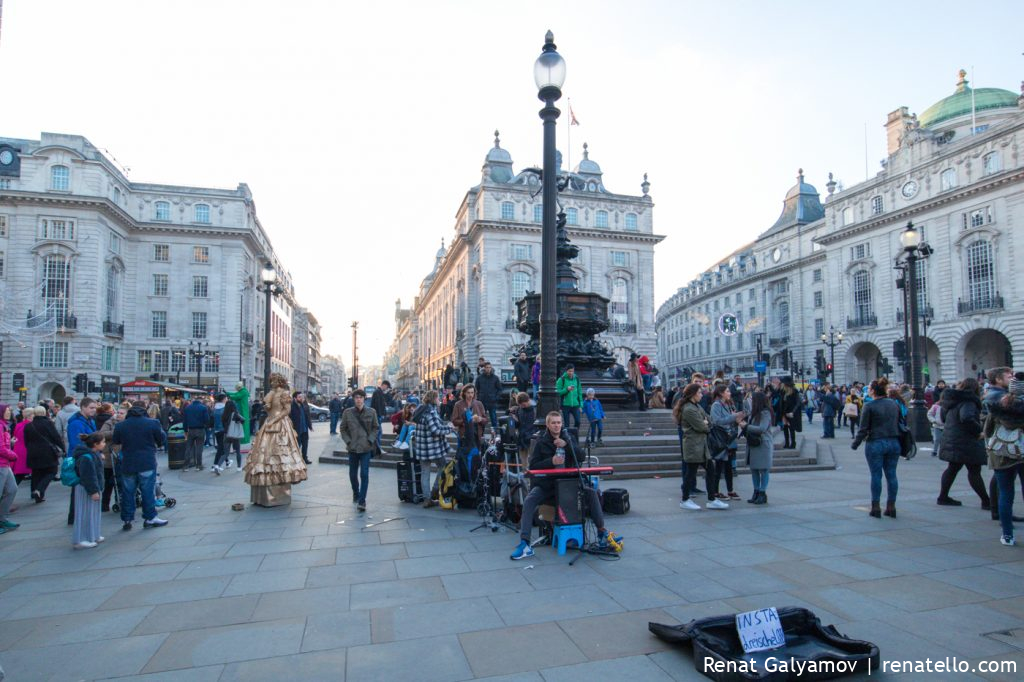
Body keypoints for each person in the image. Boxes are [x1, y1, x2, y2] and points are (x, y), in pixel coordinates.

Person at [511, 412, 620, 560]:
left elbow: (581, 456)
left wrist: (567, 445)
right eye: (553, 423)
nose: (557, 425)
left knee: (591, 493)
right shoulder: (541, 442)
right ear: (548, 425)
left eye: (559, 422)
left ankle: (602, 533)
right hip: (548, 486)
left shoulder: (569, 437)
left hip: (570, 484)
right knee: (530, 500)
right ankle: (525, 543)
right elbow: (533, 466)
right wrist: (551, 461)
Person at [112, 401, 169, 530]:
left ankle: (127, 519)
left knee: (128, 492)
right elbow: (161, 439)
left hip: (128, 462)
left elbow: (116, 441)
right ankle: (150, 517)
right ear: (145, 411)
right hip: (146, 462)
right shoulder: (152, 423)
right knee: (147, 491)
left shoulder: (121, 426)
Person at [852, 379, 903, 518]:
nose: (868, 391)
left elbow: (863, 429)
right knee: (892, 474)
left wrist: (855, 443)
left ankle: (875, 507)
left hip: (876, 442)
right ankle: (891, 507)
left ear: (873, 391)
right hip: (894, 442)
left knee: (876, 475)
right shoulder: (894, 404)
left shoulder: (869, 406)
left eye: (869, 389)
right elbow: (900, 422)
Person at [937, 378, 991, 509]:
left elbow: (943, 417)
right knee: (974, 470)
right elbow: (966, 418)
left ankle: (943, 496)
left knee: (953, 468)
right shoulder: (968, 401)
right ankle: (986, 501)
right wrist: (979, 430)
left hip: (953, 438)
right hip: (965, 440)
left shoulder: (950, 400)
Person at [985, 374, 1024, 545]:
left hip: (1001, 454)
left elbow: (987, 431)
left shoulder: (998, 407)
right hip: (1022, 453)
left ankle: (1007, 535)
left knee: (1006, 493)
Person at [677, 383, 723, 510]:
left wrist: (706, 422)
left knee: (710, 470)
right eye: (699, 393)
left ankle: (712, 499)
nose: (702, 395)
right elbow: (702, 427)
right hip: (693, 446)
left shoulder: (696, 406)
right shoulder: (689, 409)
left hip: (701, 446)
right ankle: (685, 499)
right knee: (690, 473)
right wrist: (705, 423)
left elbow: (709, 420)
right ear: (693, 394)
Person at [411, 391, 455, 508]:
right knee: (443, 465)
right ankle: (435, 490)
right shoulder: (430, 411)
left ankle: (427, 498)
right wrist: (449, 429)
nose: (439, 399)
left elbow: (436, 425)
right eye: (437, 397)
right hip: (433, 448)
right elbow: (435, 430)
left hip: (422, 448)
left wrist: (445, 425)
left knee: (425, 472)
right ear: (433, 398)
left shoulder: (420, 410)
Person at [339, 389, 378, 512]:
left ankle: (362, 501)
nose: (358, 399)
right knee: (352, 474)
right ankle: (356, 492)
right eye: (356, 397)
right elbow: (343, 429)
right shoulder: (347, 412)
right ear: (353, 399)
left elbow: (375, 428)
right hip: (353, 448)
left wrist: (371, 440)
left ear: (364, 399)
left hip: (366, 448)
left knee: (364, 474)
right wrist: (348, 441)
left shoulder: (372, 412)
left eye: (361, 397)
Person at [709, 384, 745, 501]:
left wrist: (738, 418)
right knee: (719, 466)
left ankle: (730, 490)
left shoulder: (729, 404)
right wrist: (733, 417)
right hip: (720, 439)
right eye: (727, 391)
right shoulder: (716, 405)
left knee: (729, 466)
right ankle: (715, 491)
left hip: (730, 438)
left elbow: (731, 419)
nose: (729, 393)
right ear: (721, 393)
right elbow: (716, 421)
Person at [70, 432, 106, 549]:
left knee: (92, 512)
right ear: (96, 444)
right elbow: (88, 476)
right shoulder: (87, 457)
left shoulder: (92, 454)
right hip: (86, 488)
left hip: (91, 487)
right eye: (103, 442)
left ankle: (92, 534)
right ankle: (81, 539)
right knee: (85, 513)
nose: (104, 444)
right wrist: (94, 491)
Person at [23, 406, 63, 503]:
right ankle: (39, 490)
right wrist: (62, 447)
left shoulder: (29, 425)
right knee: (52, 471)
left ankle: (36, 493)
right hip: (47, 451)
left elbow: (26, 441)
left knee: (36, 472)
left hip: (33, 452)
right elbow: (56, 437)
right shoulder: (48, 423)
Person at [744, 390, 774, 504]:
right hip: (754, 443)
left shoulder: (765, 412)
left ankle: (762, 492)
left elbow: (762, 428)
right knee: (754, 469)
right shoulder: (753, 412)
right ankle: (756, 491)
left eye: (753, 399)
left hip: (763, 444)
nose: (750, 401)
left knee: (763, 470)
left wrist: (747, 426)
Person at [96, 404, 122, 512]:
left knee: (119, 481)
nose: (119, 414)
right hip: (109, 455)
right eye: (118, 413)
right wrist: (116, 431)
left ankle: (119, 500)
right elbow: (102, 434)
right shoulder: (109, 422)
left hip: (120, 456)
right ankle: (105, 504)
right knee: (109, 482)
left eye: (122, 413)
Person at [452, 385, 488, 457]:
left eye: (472, 392)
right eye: (468, 393)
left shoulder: (479, 404)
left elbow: (486, 420)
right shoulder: (458, 404)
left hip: (476, 434)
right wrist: (466, 421)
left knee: (475, 456)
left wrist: (480, 419)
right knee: (464, 456)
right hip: (464, 435)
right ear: (464, 393)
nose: (470, 395)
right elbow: (454, 421)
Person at [0, 404, 19, 535]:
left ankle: (2, 518)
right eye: (7, 410)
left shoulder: (4, 425)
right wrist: (12, 454)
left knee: (12, 489)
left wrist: (11, 443)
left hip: (5, 463)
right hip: (2, 463)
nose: (9, 412)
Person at [182, 396, 211, 471]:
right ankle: (198, 465)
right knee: (199, 448)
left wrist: (185, 430)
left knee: (188, 448)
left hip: (190, 430)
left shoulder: (187, 408)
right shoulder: (203, 408)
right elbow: (207, 419)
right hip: (200, 429)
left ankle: (186, 466)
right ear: (200, 400)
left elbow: (184, 421)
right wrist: (206, 426)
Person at [474, 363, 503, 430]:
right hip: (482, 401)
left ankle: (495, 432)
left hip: (492, 401)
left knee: (493, 418)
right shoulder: (479, 378)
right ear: (484, 368)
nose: (488, 369)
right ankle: (481, 432)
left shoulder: (495, 378)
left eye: (489, 367)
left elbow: (500, 389)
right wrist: (478, 398)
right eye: (487, 367)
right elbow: (476, 389)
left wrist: (496, 398)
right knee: (481, 418)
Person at [555, 364, 583, 432]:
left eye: (572, 371)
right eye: (569, 371)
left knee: (578, 421)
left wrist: (581, 405)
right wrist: (567, 389)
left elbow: (579, 392)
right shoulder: (561, 379)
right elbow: (557, 392)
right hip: (565, 405)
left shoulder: (576, 379)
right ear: (566, 371)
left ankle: (574, 434)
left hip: (575, 404)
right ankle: (567, 437)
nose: (571, 373)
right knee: (566, 424)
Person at [290, 391, 314, 465]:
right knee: (297, 445)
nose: (301, 398)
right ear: (295, 398)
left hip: (304, 429)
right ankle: (296, 459)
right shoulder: (291, 406)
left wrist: (310, 426)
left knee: (305, 445)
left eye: (302, 397)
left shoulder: (303, 405)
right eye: (299, 397)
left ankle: (305, 458)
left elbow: (307, 416)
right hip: (296, 430)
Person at [222, 395, 244, 470]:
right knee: (238, 451)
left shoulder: (224, 414)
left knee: (226, 452)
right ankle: (239, 467)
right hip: (235, 435)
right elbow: (243, 420)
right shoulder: (235, 413)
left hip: (227, 434)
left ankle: (218, 465)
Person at [779, 378, 801, 449]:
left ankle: (793, 443)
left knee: (791, 428)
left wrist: (793, 412)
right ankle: (787, 443)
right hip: (784, 413)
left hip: (791, 412)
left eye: (782, 383)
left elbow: (798, 403)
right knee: (785, 428)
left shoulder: (794, 391)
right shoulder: (782, 392)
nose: (781, 384)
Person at [211, 394, 228, 473]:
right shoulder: (225, 408)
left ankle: (227, 462)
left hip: (216, 429)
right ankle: (216, 465)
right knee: (222, 448)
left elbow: (211, 418)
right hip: (223, 430)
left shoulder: (214, 408)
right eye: (226, 398)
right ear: (224, 399)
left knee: (221, 447)